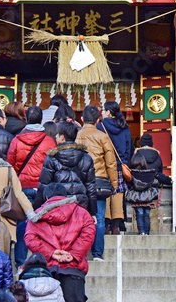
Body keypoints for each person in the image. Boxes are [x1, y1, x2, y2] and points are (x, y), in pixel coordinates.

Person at [24, 183, 96, 302]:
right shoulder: (82, 212)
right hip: (73, 269)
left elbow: (30, 239)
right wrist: (73, 254)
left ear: (46, 197)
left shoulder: (36, 215)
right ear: (65, 196)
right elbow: (88, 234)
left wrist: (51, 253)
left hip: (46, 270)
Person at [8, 106, 56, 265]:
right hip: (42, 187)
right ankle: (42, 261)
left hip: (22, 187)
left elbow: (11, 165)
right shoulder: (49, 141)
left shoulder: (16, 140)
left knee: (22, 222)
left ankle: (20, 262)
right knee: (42, 223)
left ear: (26, 119)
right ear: (41, 120)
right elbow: (53, 166)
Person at [75, 105, 117, 261]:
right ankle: (97, 253)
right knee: (98, 217)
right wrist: (114, 184)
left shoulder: (77, 135)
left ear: (82, 119)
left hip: (80, 181)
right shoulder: (103, 136)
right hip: (99, 181)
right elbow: (111, 163)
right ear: (98, 121)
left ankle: (80, 252)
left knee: (79, 217)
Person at [35, 121, 96, 215]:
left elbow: (44, 185)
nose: (55, 136)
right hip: (80, 206)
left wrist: (37, 208)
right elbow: (91, 187)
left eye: (57, 134)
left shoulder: (52, 158)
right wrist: (92, 212)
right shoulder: (86, 158)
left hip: (58, 206)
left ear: (62, 137)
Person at [98, 101, 131, 234]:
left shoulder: (100, 126)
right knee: (118, 194)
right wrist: (125, 162)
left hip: (105, 165)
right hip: (119, 166)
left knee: (105, 193)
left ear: (108, 112)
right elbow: (129, 148)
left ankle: (106, 225)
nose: (102, 112)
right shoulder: (124, 127)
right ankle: (116, 226)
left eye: (103, 110)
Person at [126, 151, 160, 235]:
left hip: (137, 197)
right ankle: (147, 232)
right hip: (148, 197)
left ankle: (141, 232)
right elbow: (155, 183)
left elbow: (129, 185)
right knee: (147, 215)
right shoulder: (150, 173)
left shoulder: (132, 174)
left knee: (139, 214)